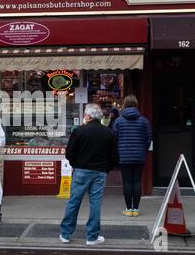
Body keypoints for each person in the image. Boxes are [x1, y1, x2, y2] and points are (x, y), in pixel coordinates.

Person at [60, 104, 117, 246]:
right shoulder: (109, 133)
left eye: (85, 115)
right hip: (100, 172)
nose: (84, 117)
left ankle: (65, 234)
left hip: (81, 170)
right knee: (96, 204)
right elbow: (114, 157)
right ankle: (92, 237)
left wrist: (76, 165)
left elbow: (69, 153)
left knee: (74, 202)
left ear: (89, 116)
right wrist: (106, 169)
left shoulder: (79, 131)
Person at [113, 95, 152, 217]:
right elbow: (148, 139)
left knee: (127, 182)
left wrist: (117, 152)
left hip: (123, 156)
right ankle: (136, 208)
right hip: (139, 156)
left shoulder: (118, 121)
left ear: (124, 104)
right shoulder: (144, 121)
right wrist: (142, 151)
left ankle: (128, 208)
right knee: (137, 181)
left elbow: (114, 138)